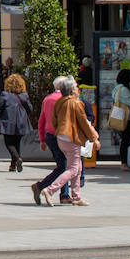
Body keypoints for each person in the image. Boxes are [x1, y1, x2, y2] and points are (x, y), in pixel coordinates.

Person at [39, 76, 98, 206]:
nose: (78, 88)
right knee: (73, 168)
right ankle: (50, 190)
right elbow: (84, 122)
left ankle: (76, 197)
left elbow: (53, 121)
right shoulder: (75, 103)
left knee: (77, 166)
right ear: (72, 89)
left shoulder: (60, 101)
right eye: (76, 86)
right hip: (71, 138)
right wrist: (94, 138)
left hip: (61, 138)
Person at [33, 76, 75, 204]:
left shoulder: (48, 99)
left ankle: (64, 195)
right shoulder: (66, 99)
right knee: (64, 166)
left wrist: (42, 139)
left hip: (50, 135)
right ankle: (41, 186)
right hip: (62, 135)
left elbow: (42, 120)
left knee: (63, 164)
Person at [0, 73, 33, 172]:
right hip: (21, 122)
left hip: (8, 122)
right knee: (17, 143)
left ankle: (17, 158)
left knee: (9, 143)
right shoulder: (24, 96)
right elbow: (30, 109)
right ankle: (13, 165)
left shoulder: (5, 95)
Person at [111, 68, 130, 170]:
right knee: (126, 141)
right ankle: (124, 163)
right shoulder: (124, 90)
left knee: (124, 140)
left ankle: (124, 162)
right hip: (127, 118)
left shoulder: (116, 88)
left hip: (120, 116)